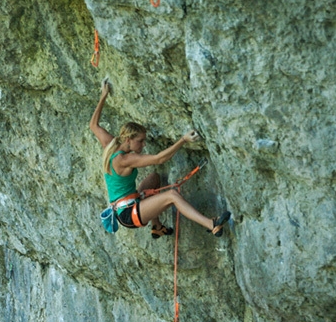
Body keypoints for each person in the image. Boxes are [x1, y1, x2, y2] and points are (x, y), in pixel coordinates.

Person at [89, 80, 230, 237]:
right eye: (140, 141)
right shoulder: (124, 160)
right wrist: (183, 140)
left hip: (128, 204)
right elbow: (159, 159)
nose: (143, 145)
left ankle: (156, 226)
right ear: (128, 140)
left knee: (154, 178)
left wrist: (103, 95)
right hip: (129, 214)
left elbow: (94, 125)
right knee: (172, 196)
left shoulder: (111, 145)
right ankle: (212, 224)